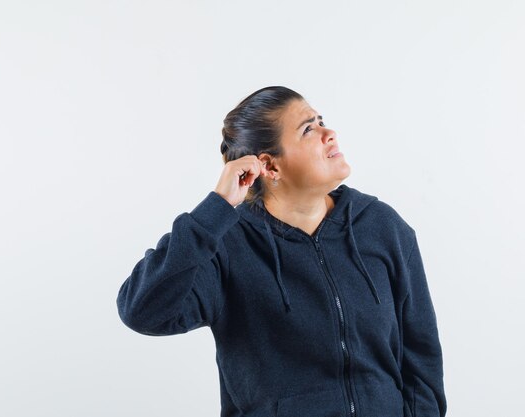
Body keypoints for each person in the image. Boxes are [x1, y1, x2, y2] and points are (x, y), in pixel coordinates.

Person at [116, 86, 447, 417]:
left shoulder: (381, 227)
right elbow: (143, 311)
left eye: (321, 121)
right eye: (308, 129)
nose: (329, 134)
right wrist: (216, 209)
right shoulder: (227, 245)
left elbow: (421, 360)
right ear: (269, 167)